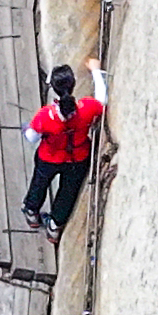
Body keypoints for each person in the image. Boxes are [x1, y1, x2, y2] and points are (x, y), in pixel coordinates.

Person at [23, 63, 106, 235]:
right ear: (73, 84)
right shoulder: (87, 108)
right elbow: (102, 100)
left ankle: (32, 212)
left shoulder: (46, 116)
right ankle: (54, 226)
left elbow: (32, 137)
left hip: (49, 157)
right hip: (78, 158)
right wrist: (96, 72)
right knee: (68, 191)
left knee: (40, 183)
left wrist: (26, 129)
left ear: (53, 88)